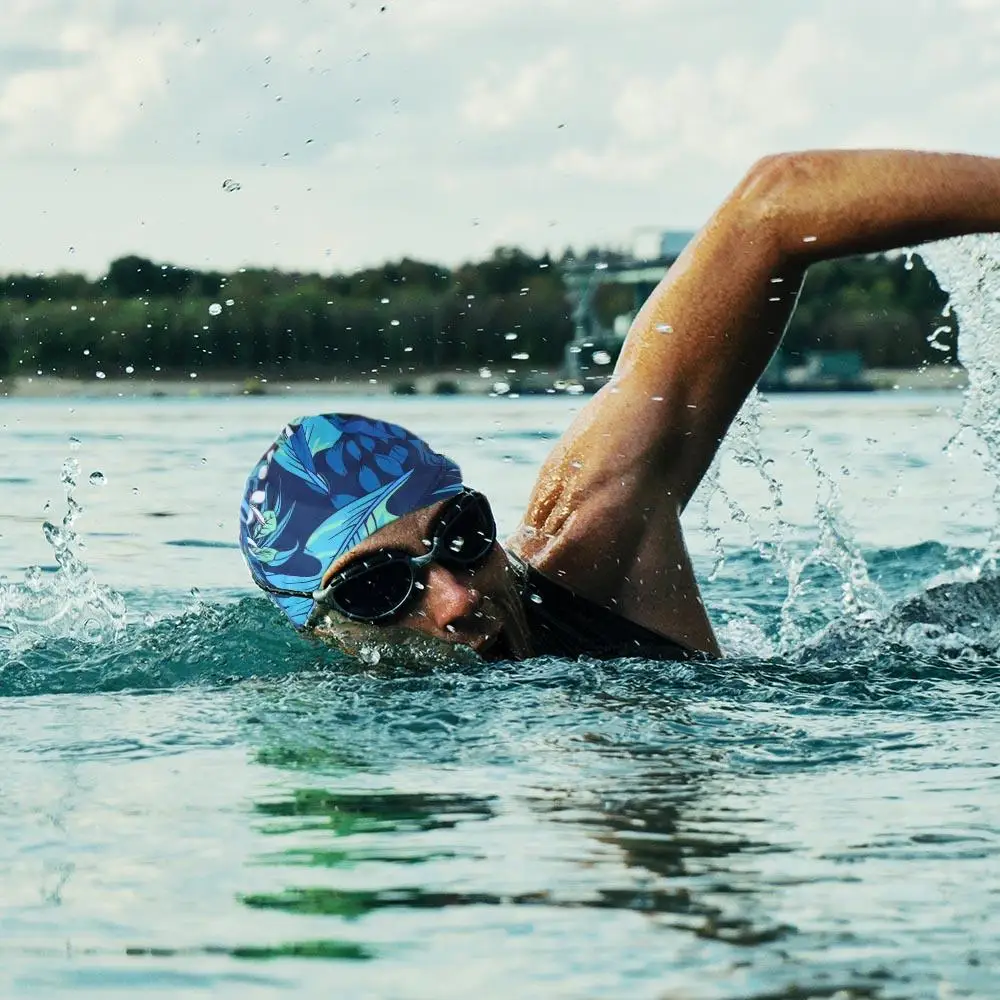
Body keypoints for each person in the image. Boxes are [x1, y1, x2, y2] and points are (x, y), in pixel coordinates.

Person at [239, 149, 1000, 662]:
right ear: (323, 633)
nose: (459, 597)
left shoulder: (589, 549)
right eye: (378, 588)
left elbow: (775, 203)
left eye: (462, 537)